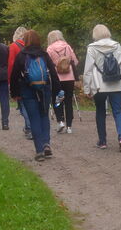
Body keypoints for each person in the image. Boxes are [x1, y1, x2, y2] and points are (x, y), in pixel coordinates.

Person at [10, 30, 61, 161]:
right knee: (44, 115)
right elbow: (54, 74)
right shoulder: (44, 54)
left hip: (28, 91)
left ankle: (39, 150)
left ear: (25, 41)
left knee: (34, 119)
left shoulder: (22, 55)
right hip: (45, 90)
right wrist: (56, 91)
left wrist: (15, 93)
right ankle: (46, 144)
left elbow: (14, 76)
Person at [82, 24, 121, 152]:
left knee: (100, 112)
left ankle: (102, 141)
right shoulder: (117, 45)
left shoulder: (92, 48)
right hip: (117, 83)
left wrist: (87, 88)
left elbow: (88, 70)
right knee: (118, 111)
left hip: (99, 85)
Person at [47, 30, 79, 134]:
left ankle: (60, 121)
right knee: (68, 101)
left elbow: (48, 64)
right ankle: (69, 126)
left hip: (57, 79)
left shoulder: (50, 48)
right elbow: (75, 61)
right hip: (69, 78)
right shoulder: (67, 46)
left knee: (57, 100)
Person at [8, 26, 33, 140]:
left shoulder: (13, 47)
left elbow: (11, 66)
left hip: (19, 79)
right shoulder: (31, 46)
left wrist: (10, 82)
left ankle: (29, 128)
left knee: (23, 104)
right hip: (33, 78)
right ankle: (32, 126)